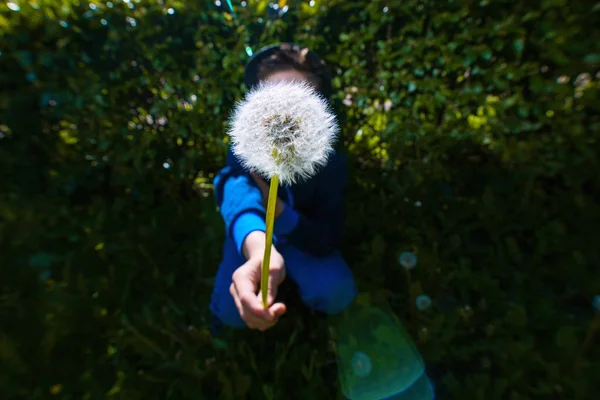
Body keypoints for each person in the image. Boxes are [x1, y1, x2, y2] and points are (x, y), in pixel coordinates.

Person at [210, 43, 357, 332]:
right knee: (229, 312)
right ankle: (222, 319)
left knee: (339, 292)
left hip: (302, 236)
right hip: (253, 237)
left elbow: (326, 236)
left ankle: (304, 300)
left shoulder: (332, 165)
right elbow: (233, 187)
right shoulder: (245, 149)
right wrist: (258, 248)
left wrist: (280, 213)